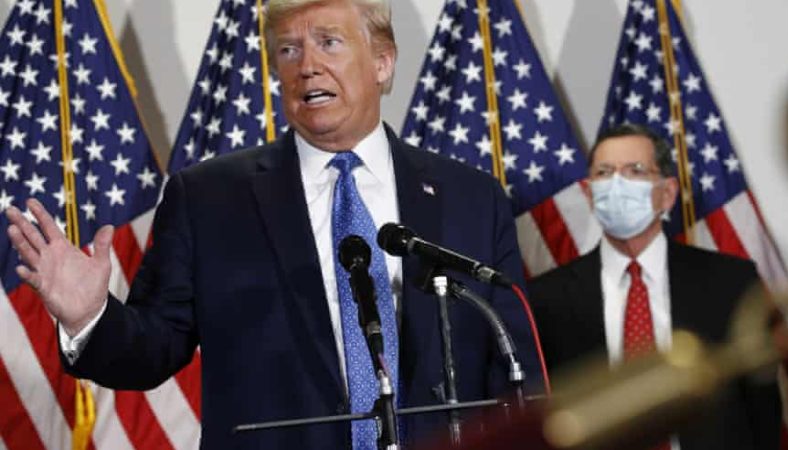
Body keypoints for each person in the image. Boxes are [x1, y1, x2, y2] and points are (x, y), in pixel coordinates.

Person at [4, 0, 541, 448]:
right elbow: (153, 350)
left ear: (382, 62)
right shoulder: (208, 198)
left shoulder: (471, 198)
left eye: (329, 42)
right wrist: (90, 317)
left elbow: (513, 365)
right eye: (288, 50)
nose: (307, 65)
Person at [529, 123, 781, 450]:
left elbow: (762, 410)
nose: (617, 184)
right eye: (604, 172)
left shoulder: (730, 281)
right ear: (589, 194)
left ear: (667, 193)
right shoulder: (547, 299)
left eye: (634, 170)